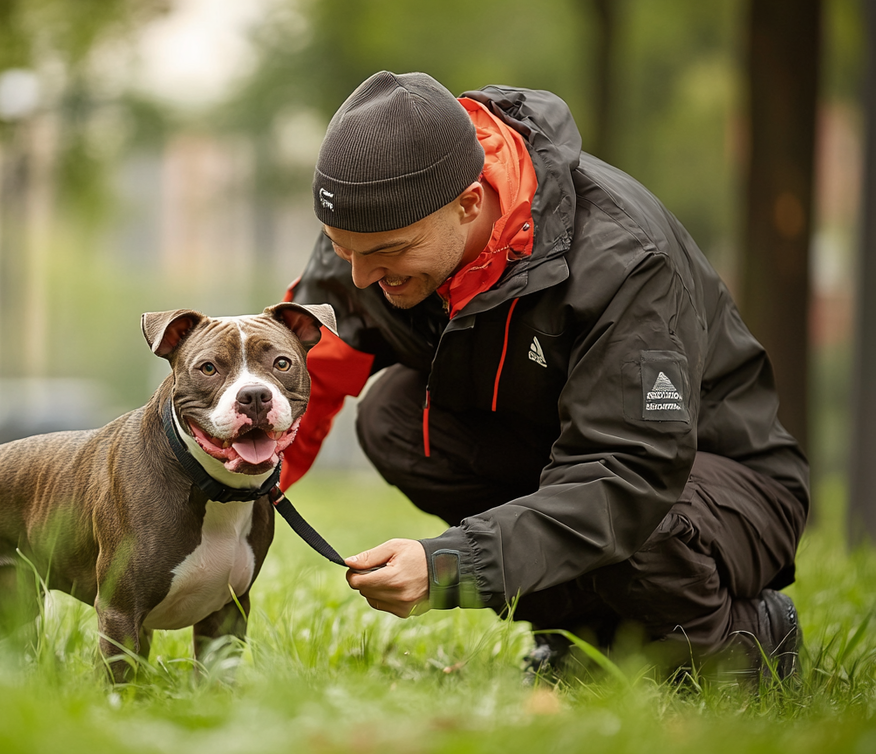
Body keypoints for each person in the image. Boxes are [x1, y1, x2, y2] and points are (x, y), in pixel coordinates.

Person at [281, 71, 809, 677]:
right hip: (567, 456)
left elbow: (627, 476)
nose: (360, 278)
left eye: (387, 253)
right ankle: (578, 635)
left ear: (470, 203)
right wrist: (238, 487)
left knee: (641, 533)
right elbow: (309, 375)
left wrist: (451, 567)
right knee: (396, 421)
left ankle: (753, 641)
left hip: (706, 477)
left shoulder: (626, 262)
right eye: (342, 249)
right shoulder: (375, 225)